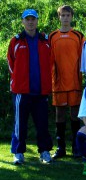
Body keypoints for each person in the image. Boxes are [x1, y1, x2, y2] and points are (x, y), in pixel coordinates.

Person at [7, 9, 53, 165]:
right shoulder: (16, 41)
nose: (30, 22)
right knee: (20, 124)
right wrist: (17, 80)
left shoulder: (45, 40)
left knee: (42, 123)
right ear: (23, 22)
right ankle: (18, 153)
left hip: (41, 91)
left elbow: (51, 63)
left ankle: (45, 152)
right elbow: (10, 63)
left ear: (37, 21)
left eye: (33, 19)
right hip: (21, 91)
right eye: (27, 19)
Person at [49, 5, 85, 159]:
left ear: (72, 17)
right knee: (60, 113)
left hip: (74, 81)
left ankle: (76, 147)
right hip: (58, 82)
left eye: (67, 15)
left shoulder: (78, 35)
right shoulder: (52, 36)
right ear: (59, 17)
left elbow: (83, 59)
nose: (65, 18)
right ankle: (61, 147)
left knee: (75, 114)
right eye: (62, 15)